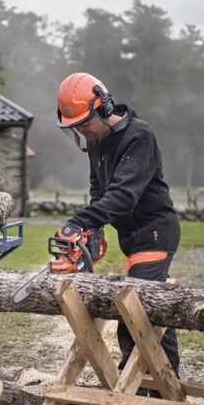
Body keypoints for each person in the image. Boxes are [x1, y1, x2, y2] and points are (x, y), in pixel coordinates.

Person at [55, 72, 181, 379]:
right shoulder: (96, 141)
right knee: (151, 305)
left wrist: (78, 222)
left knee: (135, 308)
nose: (82, 131)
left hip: (154, 232)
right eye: (75, 127)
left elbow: (123, 197)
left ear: (105, 108)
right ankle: (164, 379)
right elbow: (100, 192)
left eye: (84, 123)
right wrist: (91, 231)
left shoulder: (139, 136)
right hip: (130, 236)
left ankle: (142, 381)